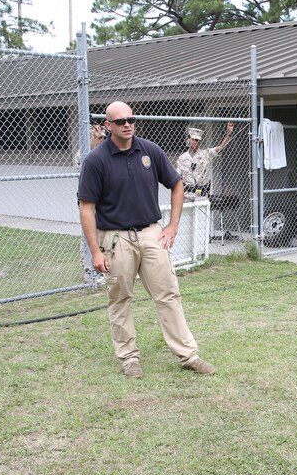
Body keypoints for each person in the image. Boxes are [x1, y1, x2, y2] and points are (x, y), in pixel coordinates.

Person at [77, 101, 217, 379]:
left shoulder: (150, 151)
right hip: (115, 238)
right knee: (120, 299)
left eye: (131, 119)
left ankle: (189, 356)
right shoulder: (96, 160)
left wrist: (172, 226)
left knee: (168, 294)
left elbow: (176, 184)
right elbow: (86, 207)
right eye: (120, 121)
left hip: (151, 233)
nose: (127, 124)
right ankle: (129, 359)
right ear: (108, 126)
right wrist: (95, 251)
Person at [176, 122, 235, 196]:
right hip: (187, 195)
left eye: (197, 140)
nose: (194, 142)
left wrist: (229, 133)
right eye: (193, 139)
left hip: (201, 195)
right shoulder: (182, 158)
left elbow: (220, 147)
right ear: (188, 139)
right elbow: (177, 176)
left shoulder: (205, 153)